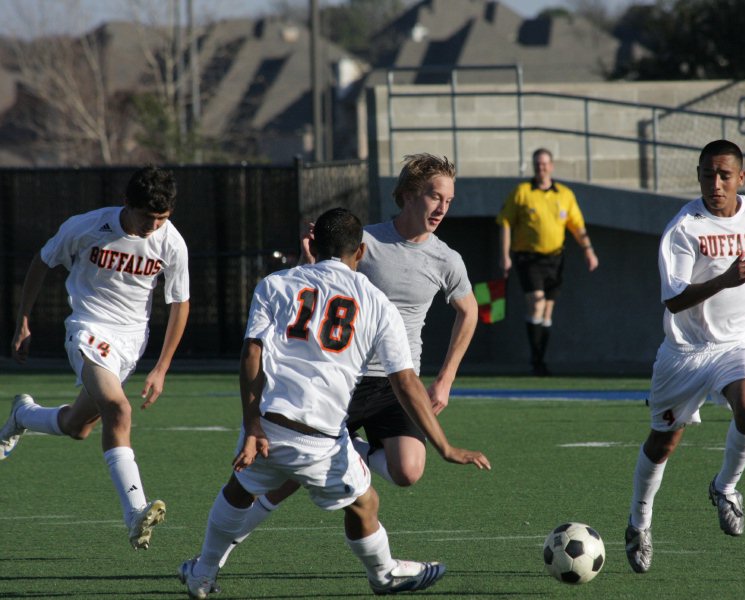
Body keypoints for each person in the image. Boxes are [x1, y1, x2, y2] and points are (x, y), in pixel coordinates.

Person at [177, 207, 490, 598]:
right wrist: (445, 446)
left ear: (315, 245)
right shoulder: (376, 303)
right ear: (360, 252)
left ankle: (203, 573)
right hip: (320, 440)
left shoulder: (275, 284)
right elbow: (405, 381)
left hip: (268, 426)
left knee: (238, 491)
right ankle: (383, 575)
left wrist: (252, 425)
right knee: (364, 504)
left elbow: (251, 356)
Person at [624, 139, 745, 574]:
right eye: (708, 174)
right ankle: (639, 522)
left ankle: (725, 488)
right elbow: (673, 301)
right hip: (684, 352)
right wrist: (724, 279)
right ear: (699, 175)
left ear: (741, 177)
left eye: (725, 175)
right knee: (664, 441)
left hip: (735, 344)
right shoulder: (683, 228)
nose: (716, 183)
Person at [1, 165, 190, 550]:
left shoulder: (171, 242)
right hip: (88, 329)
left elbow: (179, 303)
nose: (154, 226)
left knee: (77, 426)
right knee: (119, 410)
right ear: (127, 204)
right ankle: (136, 511)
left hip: (130, 344)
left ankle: (22, 415)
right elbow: (42, 261)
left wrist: (161, 366)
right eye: (147, 217)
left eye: (163, 218)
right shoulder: (86, 227)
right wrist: (23, 320)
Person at [497, 148, 598, 376]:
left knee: (547, 312)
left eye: (544, 164)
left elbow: (577, 226)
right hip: (529, 257)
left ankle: (540, 360)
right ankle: (535, 358)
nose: (541, 168)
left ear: (551, 166)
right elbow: (504, 222)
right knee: (537, 302)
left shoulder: (564, 194)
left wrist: (588, 251)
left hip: (555, 259)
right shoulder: (522, 192)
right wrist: (504, 255)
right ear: (534, 167)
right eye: (537, 164)